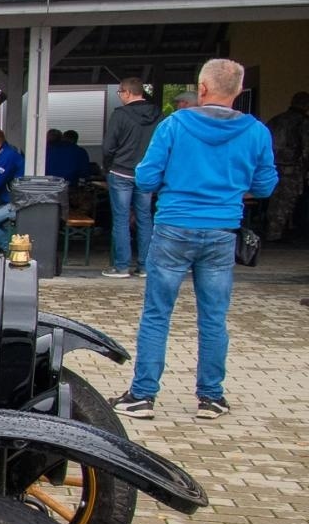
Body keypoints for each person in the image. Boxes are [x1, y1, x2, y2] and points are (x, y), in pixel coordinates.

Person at [111, 59, 277, 421]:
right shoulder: (257, 132)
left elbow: (147, 178)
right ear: (238, 91)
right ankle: (211, 397)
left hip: (173, 227)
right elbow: (265, 185)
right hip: (221, 231)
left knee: (157, 314)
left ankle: (142, 395)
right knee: (214, 317)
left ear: (202, 89)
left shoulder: (175, 125)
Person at [100, 77, 162, 276]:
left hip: (120, 172)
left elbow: (108, 146)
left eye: (120, 93)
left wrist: (108, 166)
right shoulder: (158, 115)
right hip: (146, 173)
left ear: (127, 92)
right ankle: (145, 266)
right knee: (145, 217)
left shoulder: (120, 115)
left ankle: (122, 266)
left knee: (121, 219)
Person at [265, 91, 309, 242]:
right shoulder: (303, 122)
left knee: (273, 201)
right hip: (292, 168)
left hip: (271, 167)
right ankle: (277, 235)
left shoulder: (275, 120)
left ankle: (272, 231)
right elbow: (306, 148)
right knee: (286, 202)